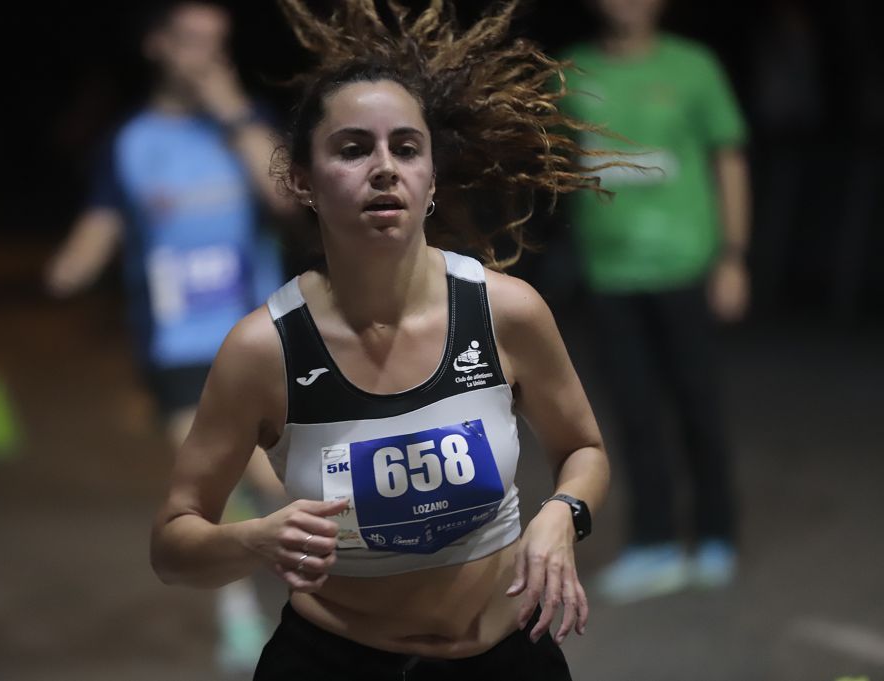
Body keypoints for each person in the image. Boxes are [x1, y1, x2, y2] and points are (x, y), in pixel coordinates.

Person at [150, 1, 612, 679]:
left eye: (406, 147)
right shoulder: (265, 349)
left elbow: (584, 450)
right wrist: (254, 538)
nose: (385, 167)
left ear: (430, 182)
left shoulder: (505, 311)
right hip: (333, 660)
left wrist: (562, 514)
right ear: (303, 181)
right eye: (352, 148)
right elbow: (172, 542)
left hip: (508, 657)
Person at [43, 1, 293, 672]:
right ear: (156, 44)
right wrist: (72, 264)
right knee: (218, 482)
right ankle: (239, 616)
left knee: (280, 483)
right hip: (179, 347)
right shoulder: (130, 143)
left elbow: (285, 198)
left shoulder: (247, 126)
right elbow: (103, 221)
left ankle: (340, 585)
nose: (206, 56)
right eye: (191, 41)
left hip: (261, 339)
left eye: (219, 43)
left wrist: (232, 106)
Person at [559, 0, 750, 603]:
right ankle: (655, 542)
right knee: (631, 415)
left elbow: (729, 158)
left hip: (685, 266)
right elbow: (546, 159)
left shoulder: (694, 67)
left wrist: (733, 257)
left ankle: (717, 534)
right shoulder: (569, 74)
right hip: (609, 274)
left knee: (698, 403)